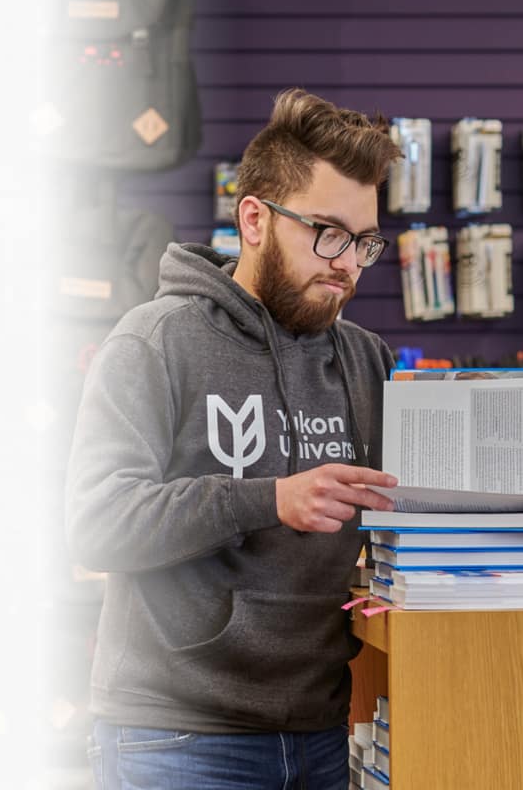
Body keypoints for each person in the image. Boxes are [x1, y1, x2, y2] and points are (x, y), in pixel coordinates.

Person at [64, 89, 404, 789]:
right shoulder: (155, 342)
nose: (347, 262)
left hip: (321, 731)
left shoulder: (367, 360)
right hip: (176, 736)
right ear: (254, 218)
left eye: (364, 241)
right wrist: (267, 500)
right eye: (326, 232)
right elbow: (97, 525)